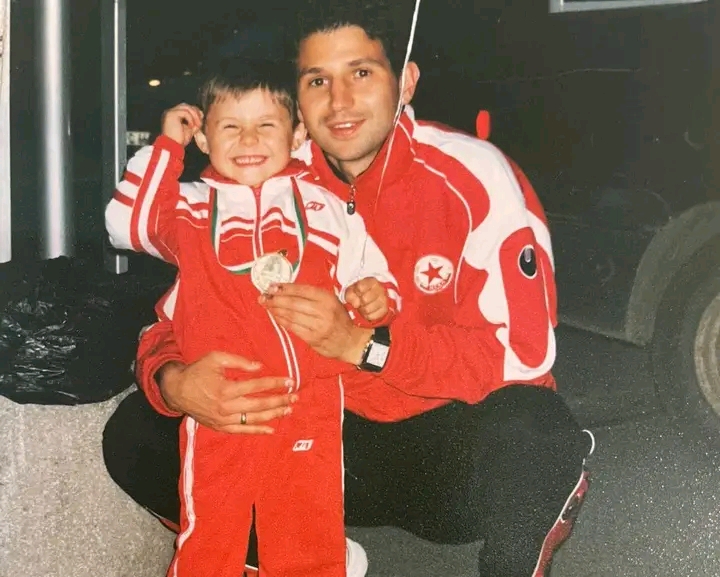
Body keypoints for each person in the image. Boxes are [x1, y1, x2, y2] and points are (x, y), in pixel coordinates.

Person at [103, 2, 594, 576]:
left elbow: (522, 356)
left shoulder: (475, 176)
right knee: (135, 435)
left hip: (439, 452)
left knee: (535, 430)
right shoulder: (261, 170)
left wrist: (365, 345)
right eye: (317, 81)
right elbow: (178, 312)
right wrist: (174, 379)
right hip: (316, 434)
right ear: (297, 102)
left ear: (405, 82)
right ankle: (291, 557)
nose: (339, 102)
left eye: (361, 73)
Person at [104, 60, 400, 577]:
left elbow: (369, 272)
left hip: (310, 403)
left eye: (266, 124)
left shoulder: (326, 207)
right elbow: (125, 225)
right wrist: (168, 146)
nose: (248, 140)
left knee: (309, 534)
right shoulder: (191, 208)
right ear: (204, 138)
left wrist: (376, 297)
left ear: (297, 134)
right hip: (222, 405)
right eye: (229, 127)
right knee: (211, 538)